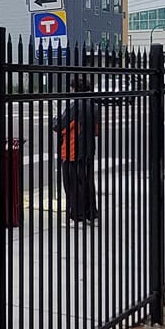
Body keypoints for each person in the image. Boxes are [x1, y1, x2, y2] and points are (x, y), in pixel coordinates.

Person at [52, 74, 101, 221]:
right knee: (88, 181)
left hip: (71, 151)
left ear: (75, 89)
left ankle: (77, 214)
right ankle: (91, 212)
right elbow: (96, 131)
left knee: (72, 184)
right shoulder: (95, 106)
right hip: (89, 150)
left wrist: (56, 117)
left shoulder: (73, 106)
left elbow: (58, 126)